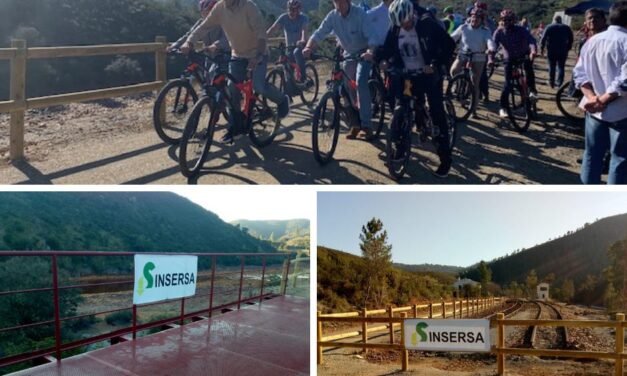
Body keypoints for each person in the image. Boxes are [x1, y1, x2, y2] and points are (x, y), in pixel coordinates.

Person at [180, 0, 290, 143]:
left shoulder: (249, 6)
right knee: (233, 90)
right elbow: (204, 26)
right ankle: (235, 125)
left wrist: (258, 56)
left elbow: (261, 34)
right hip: (237, 54)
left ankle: (282, 100)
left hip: (257, 53)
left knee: (258, 86)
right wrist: (189, 41)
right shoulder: (220, 8)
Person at [377, 0, 456, 177]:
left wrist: (435, 64)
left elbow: (448, 46)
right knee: (401, 107)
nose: (404, 26)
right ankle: (399, 149)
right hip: (408, 76)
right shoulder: (396, 27)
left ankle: (445, 158)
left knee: (437, 112)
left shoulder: (427, 23)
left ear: (412, 15)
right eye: (400, 24)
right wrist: (379, 58)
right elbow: (388, 48)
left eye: (406, 22)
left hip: (429, 75)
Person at [303, 0, 378, 140]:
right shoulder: (332, 16)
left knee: (361, 80)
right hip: (348, 55)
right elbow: (319, 33)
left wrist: (370, 51)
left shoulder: (360, 14)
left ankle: (367, 126)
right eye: (336, 2)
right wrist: (308, 47)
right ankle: (355, 123)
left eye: (341, 1)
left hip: (363, 52)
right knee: (346, 86)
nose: (339, 5)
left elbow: (372, 36)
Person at [573, 1, 627, 184]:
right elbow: (625, 81)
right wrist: (602, 99)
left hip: (594, 111)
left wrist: (591, 98)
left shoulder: (592, 42)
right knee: (619, 159)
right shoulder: (625, 41)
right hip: (621, 111)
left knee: (591, 156)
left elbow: (578, 74)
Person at [492, 9, 538, 119]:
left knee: (528, 68)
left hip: (523, 54)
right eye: (504, 20)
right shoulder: (499, 32)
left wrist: (533, 51)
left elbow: (531, 40)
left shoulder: (521, 30)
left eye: (509, 20)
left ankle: (532, 91)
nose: (506, 22)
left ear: (514, 20)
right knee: (507, 83)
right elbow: (493, 46)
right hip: (509, 57)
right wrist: (490, 58)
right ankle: (503, 107)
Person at [450, 7, 496, 117]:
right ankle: (459, 85)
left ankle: (473, 109)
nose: (474, 19)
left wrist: (491, 48)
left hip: (478, 57)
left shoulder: (485, 31)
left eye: (477, 18)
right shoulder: (463, 27)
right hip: (463, 54)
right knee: (453, 71)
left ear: (481, 19)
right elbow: (452, 37)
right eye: (473, 17)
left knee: (475, 83)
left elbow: (490, 41)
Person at [267, 0, 309, 83]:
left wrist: (302, 40)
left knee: (297, 52)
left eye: (293, 10)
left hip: (301, 47)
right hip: (289, 47)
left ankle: (303, 78)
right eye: (289, 9)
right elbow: (273, 28)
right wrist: (263, 38)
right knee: (287, 66)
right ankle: (290, 86)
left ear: (298, 10)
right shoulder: (284, 18)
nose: (291, 12)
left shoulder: (303, 18)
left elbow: (304, 30)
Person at [540, 15, 573, 88]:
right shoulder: (566, 27)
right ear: (561, 20)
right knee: (561, 67)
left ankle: (551, 82)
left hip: (551, 49)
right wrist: (568, 47)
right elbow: (571, 38)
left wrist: (542, 49)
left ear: (554, 20)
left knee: (552, 66)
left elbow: (543, 38)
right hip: (563, 50)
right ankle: (559, 83)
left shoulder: (549, 27)